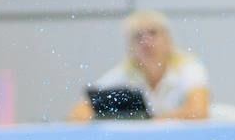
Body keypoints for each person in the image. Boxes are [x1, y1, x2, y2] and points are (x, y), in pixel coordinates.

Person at [68, 10, 209, 121]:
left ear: (168, 39)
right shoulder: (124, 73)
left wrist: (148, 121)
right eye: (138, 36)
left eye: (153, 33)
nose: (146, 42)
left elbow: (199, 112)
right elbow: (78, 113)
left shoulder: (188, 68)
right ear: (130, 47)